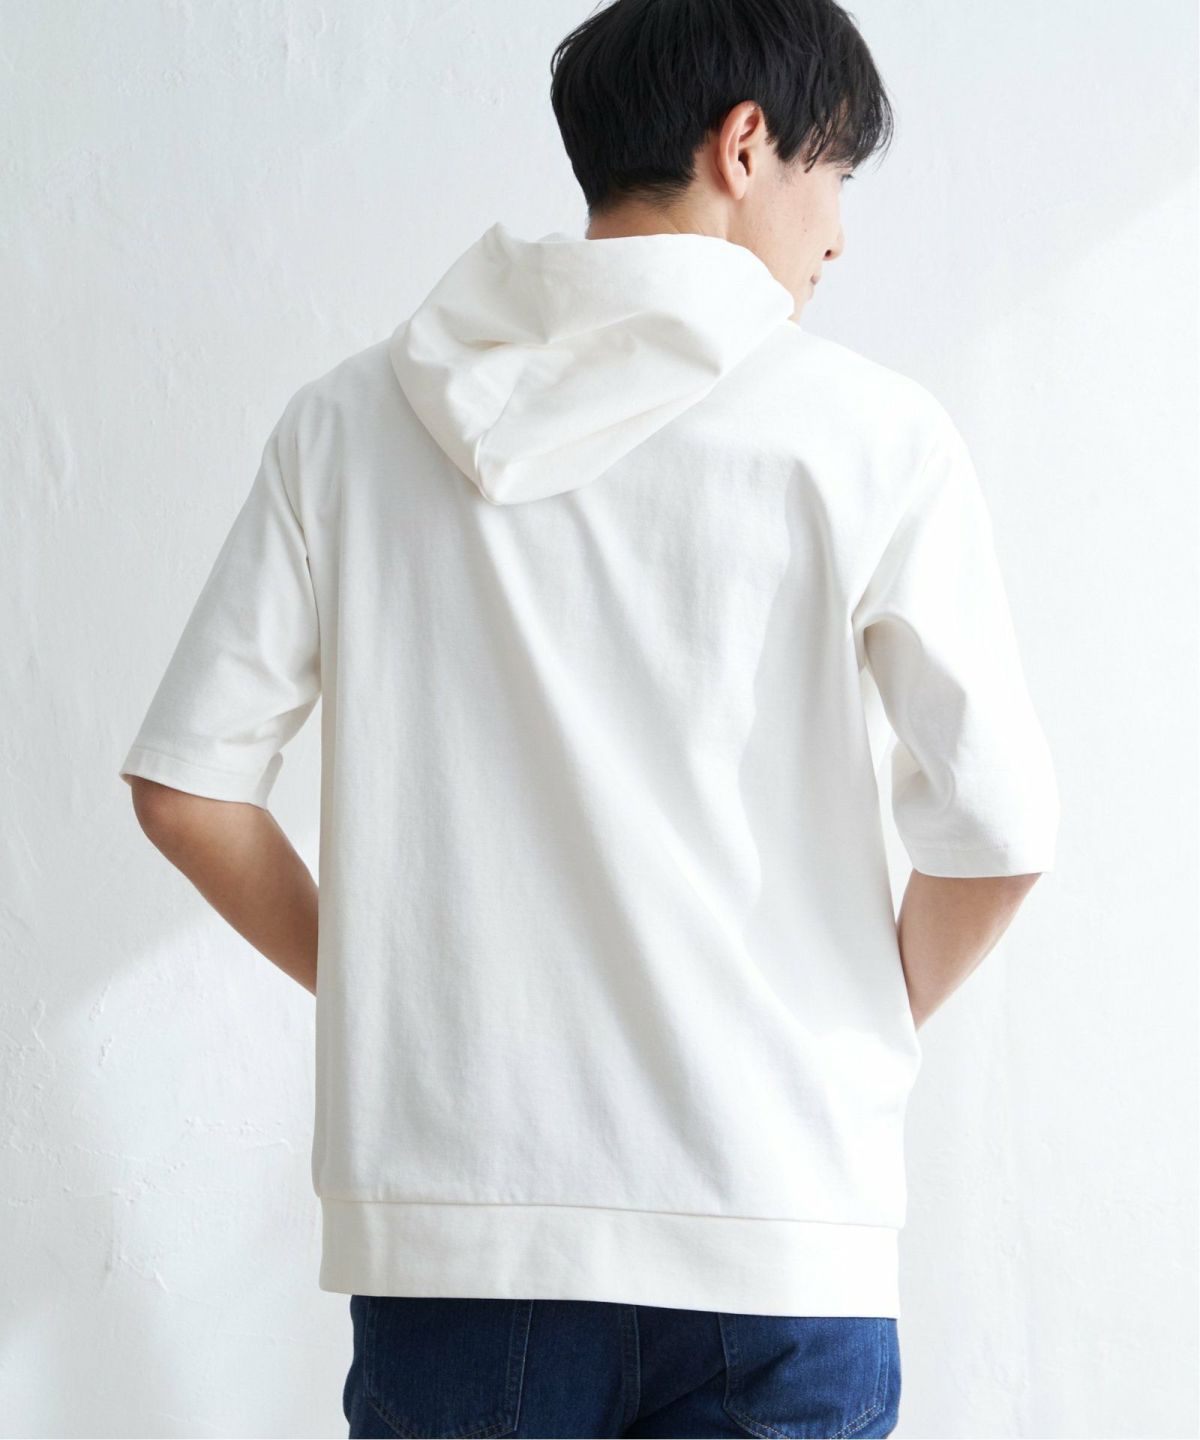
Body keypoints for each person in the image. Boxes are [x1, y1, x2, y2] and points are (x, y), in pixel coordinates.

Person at [118, 0, 1060, 1434]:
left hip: (456, 1239)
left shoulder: (351, 423)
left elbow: (187, 789)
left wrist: (387, 983)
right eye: (833, 175)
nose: (838, 238)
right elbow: (996, 832)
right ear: (746, 144)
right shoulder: (871, 434)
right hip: (776, 1228)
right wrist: (839, 1017)